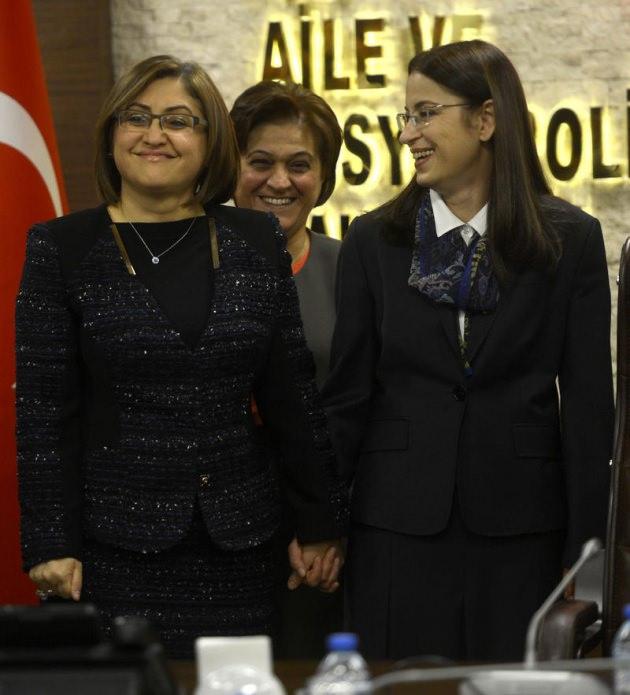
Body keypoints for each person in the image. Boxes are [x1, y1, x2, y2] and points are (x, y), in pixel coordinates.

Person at [15, 55, 345, 659]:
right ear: (112, 134)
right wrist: (50, 542)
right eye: (136, 117)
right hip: (110, 550)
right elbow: (44, 413)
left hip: (241, 547)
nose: (155, 134)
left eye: (178, 120)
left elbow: (292, 399)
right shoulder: (61, 247)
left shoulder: (255, 239)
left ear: (211, 140)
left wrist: (319, 525)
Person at [321, 39, 614, 662]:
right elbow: (348, 397)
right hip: (396, 525)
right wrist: (321, 524)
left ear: (485, 120)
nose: (409, 134)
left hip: (523, 529)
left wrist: (588, 552)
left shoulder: (569, 239)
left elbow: (590, 408)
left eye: (426, 113)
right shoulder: (374, 239)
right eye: (407, 116)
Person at [230, 81, 344, 657]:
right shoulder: (183, 263)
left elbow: (369, 410)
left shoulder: (353, 273)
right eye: (260, 162)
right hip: (206, 543)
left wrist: (329, 529)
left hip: (318, 552)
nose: (279, 181)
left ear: (323, 178)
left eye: (299, 165)